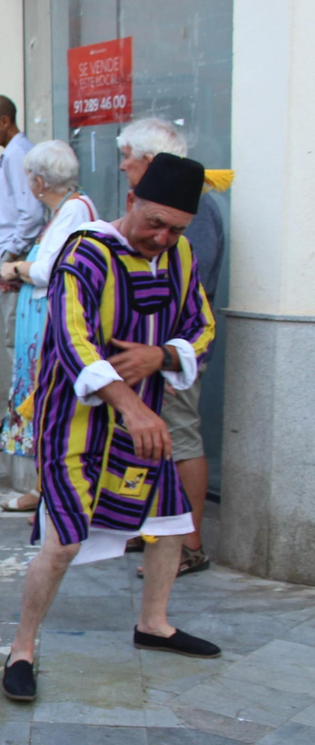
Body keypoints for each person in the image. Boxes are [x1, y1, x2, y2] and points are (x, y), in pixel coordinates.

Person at [2, 154, 219, 703]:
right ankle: (21, 649)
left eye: (176, 229)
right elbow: (75, 342)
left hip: (140, 415)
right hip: (74, 422)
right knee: (64, 541)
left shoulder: (181, 255)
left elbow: (202, 327)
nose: (164, 237)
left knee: (170, 522)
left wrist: (161, 355)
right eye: (156, 223)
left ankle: (154, 623)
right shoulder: (85, 253)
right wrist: (131, 405)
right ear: (131, 203)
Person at [116, 119, 224, 576]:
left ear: (150, 161)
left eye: (127, 157)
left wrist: (162, 354)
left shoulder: (190, 213)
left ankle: (189, 544)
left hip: (172, 355)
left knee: (181, 440)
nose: (122, 166)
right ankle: (159, 532)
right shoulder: (156, 207)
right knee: (159, 442)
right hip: (150, 355)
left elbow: (188, 296)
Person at [0, 141, 96, 512]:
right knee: (40, 404)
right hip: (38, 321)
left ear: (39, 180)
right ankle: (43, 491)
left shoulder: (72, 211)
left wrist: (14, 269)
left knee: (47, 403)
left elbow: (47, 269)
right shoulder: (67, 209)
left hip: (48, 325)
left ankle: (49, 495)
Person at [0, 96, 44, 423]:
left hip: (10, 261)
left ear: (4, 121)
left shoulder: (17, 154)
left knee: (16, 344)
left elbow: (30, 214)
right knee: (8, 343)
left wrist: (10, 258)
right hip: (5, 258)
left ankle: (19, 424)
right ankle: (13, 423)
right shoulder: (10, 154)